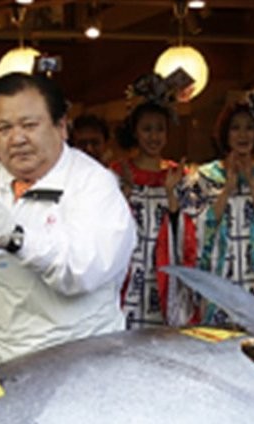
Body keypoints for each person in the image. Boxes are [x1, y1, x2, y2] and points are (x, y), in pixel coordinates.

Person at [0, 73, 136, 363]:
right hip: (11, 357)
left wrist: (15, 237)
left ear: (61, 127)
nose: (17, 139)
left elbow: (81, 270)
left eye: (29, 125)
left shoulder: (93, 184)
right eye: (4, 128)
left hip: (84, 355)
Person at [180, 89, 254, 325]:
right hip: (221, 276)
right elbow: (199, 228)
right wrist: (228, 187)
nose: (243, 135)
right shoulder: (205, 176)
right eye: (235, 128)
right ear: (225, 133)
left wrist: (251, 182)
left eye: (249, 127)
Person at [111, 82, 186, 329]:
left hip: (164, 272)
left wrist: (171, 193)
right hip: (128, 271)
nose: (154, 136)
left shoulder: (179, 174)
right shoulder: (118, 171)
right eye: (147, 129)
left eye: (160, 129)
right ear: (135, 131)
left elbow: (188, 234)